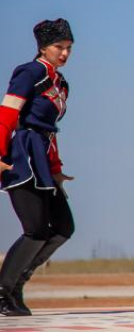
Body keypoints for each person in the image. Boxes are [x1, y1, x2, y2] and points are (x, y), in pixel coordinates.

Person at [0, 19, 76, 317]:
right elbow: (7, 114)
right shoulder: (30, 72)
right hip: (23, 154)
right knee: (34, 230)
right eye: (60, 47)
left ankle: (16, 284)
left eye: (69, 48)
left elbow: (50, 129)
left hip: (44, 157)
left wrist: (56, 169)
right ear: (43, 47)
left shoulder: (62, 83)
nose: (65, 53)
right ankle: (3, 292)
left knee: (63, 228)